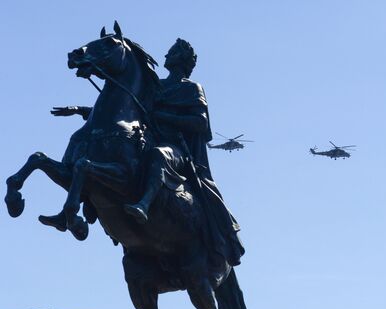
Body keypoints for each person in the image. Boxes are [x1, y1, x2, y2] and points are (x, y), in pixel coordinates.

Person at [48, 39, 244, 266]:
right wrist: (80, 110)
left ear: (182, 60)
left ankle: (144, 203)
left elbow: (200, 123)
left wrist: (162, 117)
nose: (167, 55)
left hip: (176, 150)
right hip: (147, 141)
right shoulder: (155, 86)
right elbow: (123, 109)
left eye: (172, 53)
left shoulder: (191, 88)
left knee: (158, 155)